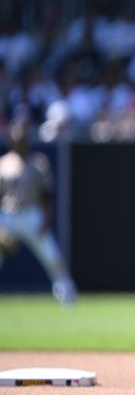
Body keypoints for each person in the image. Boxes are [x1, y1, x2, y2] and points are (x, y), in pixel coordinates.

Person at [0, 120, 76, 305]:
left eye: (23, 138)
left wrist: (47, 219)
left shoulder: (38, 162)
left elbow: (47, 196)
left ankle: (67, 293)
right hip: (8, 216)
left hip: (31, 214)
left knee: (51, 255)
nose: (20, 141)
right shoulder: (3, 164)